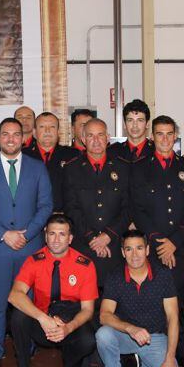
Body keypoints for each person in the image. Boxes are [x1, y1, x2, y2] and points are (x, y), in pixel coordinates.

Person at [0, 117, 54, 367]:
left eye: (16, 134)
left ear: (23, 138)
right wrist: (3, 234)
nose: (10, 139)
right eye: (5, 134)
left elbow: (45, 206)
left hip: (30, 248)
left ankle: (25, 351)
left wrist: (27, 234)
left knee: (28, 303)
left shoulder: (37, 167)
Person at [5, 215, 99, 367]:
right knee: (18, 317)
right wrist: (43, 318)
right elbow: (14, 295)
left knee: (88, 340)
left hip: (70, 320)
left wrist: (68, 328)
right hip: (43, 322)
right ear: (45, 236)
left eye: (62, 234)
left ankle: (71, 364)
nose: (56, 240)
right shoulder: (34, 260)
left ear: (70, 238)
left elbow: (87, 310)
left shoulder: (85, 265)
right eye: (52, 234)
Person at [95, 229, 182, 367]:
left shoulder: (163, 275)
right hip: (126, 335)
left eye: (139, 248)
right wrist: (130, 329)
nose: (135, 254)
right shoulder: (115, 277)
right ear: (122, 252)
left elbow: (173, 318)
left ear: (148, 250)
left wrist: (170, 358)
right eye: (129, 249)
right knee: (103, 334)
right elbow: (104, 315)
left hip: (155, 338)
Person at [129, 115, 184, 295]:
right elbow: (137, 209)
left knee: (182, 301)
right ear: (152, 136)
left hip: (182, 246)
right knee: (152, 300)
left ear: (175, 135)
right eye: (160, 134)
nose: (165, 139)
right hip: (153, 248)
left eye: (169, 134)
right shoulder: (139, 168)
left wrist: (174, 242)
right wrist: (160, 243)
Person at [63, 118, 131, 287]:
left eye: (100, 135)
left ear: (108, 137)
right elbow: (71, 208)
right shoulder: (72, 169)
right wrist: (93, 238)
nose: (96, 140)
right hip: (84, 245)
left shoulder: (123, 168)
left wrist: (108, 235)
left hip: (114, 246)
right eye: (90, 136)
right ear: (83, 139)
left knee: (113, 301)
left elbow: (128, 208)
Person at [23, 111, 75, 211]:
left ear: (58, 131)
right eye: (42, 127)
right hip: (31, 217)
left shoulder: (72, 155)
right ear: (34, 133)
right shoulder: (23, 156)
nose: (47, 131)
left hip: (63, 218)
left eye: (52, 127)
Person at [107, 98, 155, 162]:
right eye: (130, 120)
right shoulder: (112, 152)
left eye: (140, 120)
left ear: (147, 124)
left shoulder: (156, 150)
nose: (135, 125)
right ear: (124, 124)